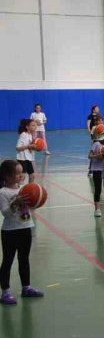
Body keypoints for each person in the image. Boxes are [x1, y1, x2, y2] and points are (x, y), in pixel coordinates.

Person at [0, 160, 44, 306]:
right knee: (8, 261)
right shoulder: (3, 192)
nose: (21, 175)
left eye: (21, 172)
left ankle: (26, 287)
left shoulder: (24, 189)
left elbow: (30, 208)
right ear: (6, 176)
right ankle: (5, 291)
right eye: (17, 173)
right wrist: (15, 202)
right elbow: (6, 213)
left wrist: (35, 201)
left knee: (24, 259)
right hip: (10, 232)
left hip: (26, 228)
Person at [89, 127, 104, 217]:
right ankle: (97, 209)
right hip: (97, 169)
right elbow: (89, 156)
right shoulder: (96, 144)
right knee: (98, 189)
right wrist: (98, 156)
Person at [15, 119, 38, 184]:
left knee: (32, 175)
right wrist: (29, 146)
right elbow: (18, 148)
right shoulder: (23, 135)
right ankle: (17, 190)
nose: (35, 127)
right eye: (33, 125)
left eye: (35, 125)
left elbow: (29, 148)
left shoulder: (30, 135)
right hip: (22, 159)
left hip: (28, 158)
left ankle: (29, 190)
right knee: (22, 177)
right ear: (27, 127)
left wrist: (34, 148)